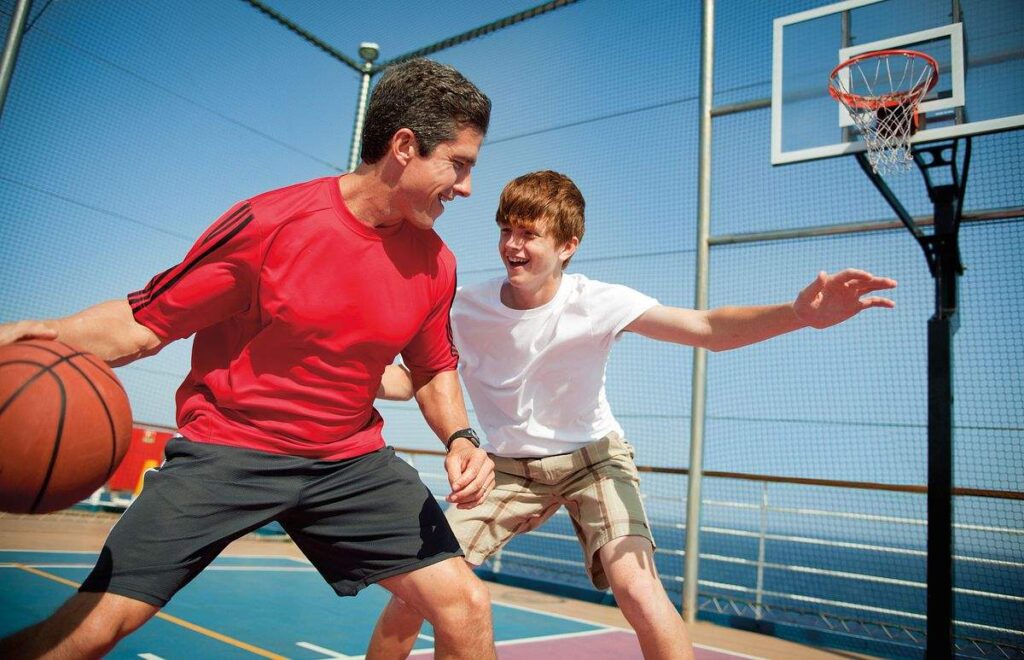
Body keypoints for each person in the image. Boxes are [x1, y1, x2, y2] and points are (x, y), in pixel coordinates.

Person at [0, 58, 500, 660]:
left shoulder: (436, 263)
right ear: (404, 146)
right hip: (230, 447)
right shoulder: (271, 225)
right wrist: (46, 333)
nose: (467, 188)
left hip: (346, 461)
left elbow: (432, 365)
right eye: (459, 164)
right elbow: (146, 321)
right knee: (94, 627)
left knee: (465, 605)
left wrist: (461, 437)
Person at [367, 170, 898, 660]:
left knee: (637, 587)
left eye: (528, 233)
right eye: (506, 229)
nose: (512, 244)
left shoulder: (599, 301)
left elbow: (709, 328)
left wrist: (799, 314)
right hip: (504, 466)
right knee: (424, 584)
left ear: (568, 246)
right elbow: (415, 376)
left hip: (593, 460)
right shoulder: (465, 306)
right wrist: (344, 377)